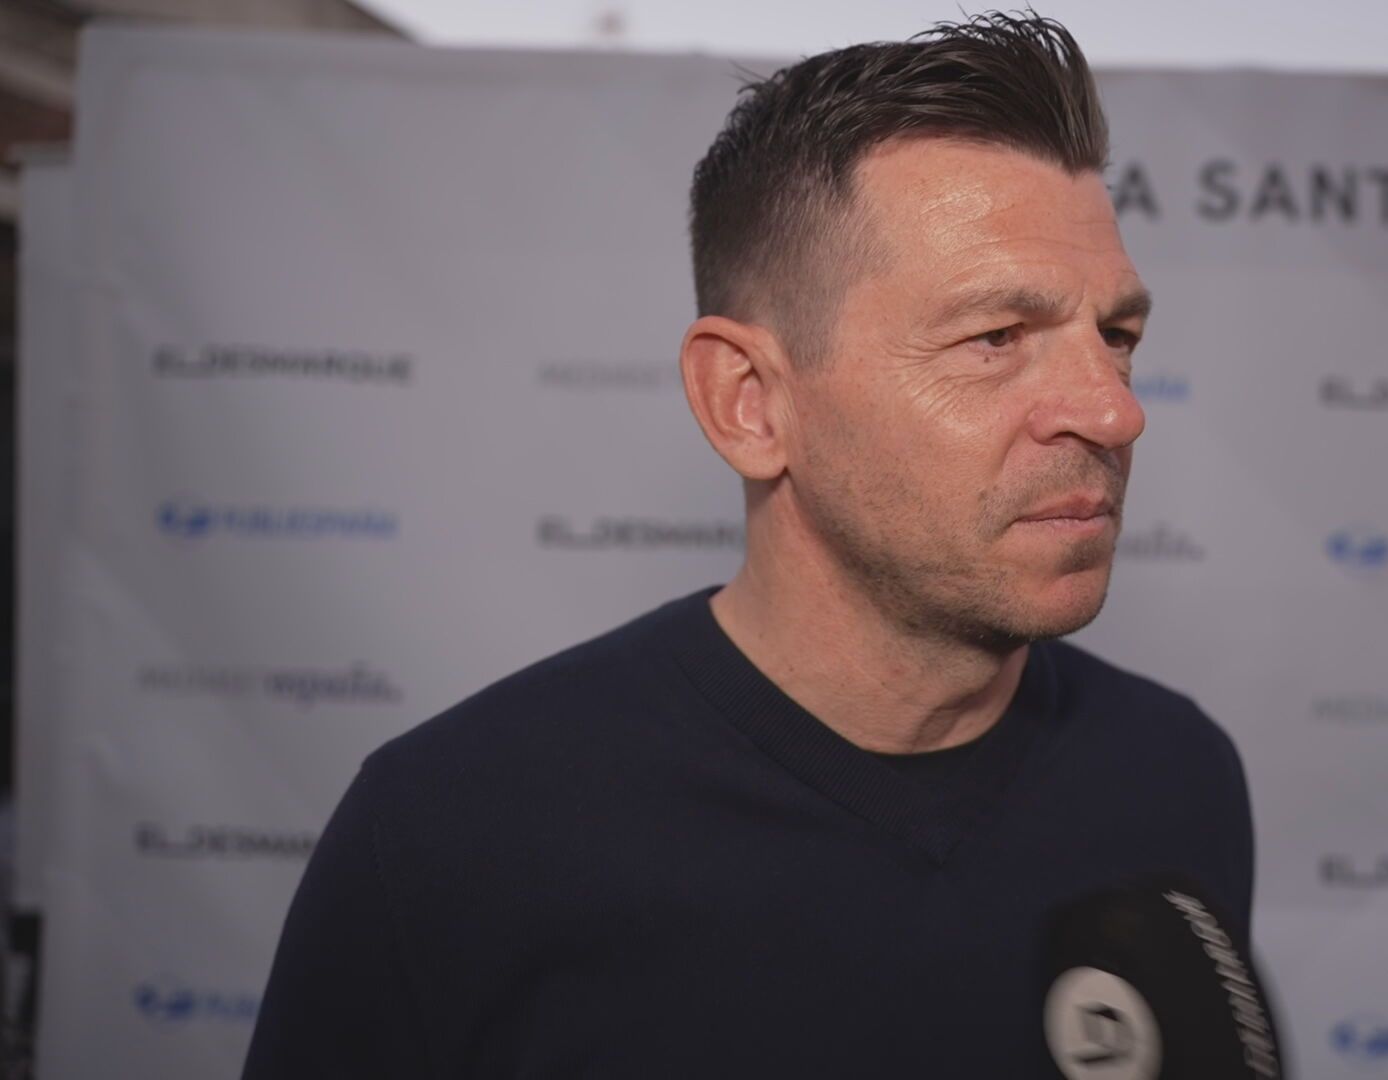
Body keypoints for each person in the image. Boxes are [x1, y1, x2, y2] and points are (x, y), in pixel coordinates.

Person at [243, 12, 1258, 1078]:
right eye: (996, 337)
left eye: (1116, 336)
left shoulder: (1174, 776)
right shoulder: (453, 835)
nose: (1113, 411)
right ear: (750, 403)